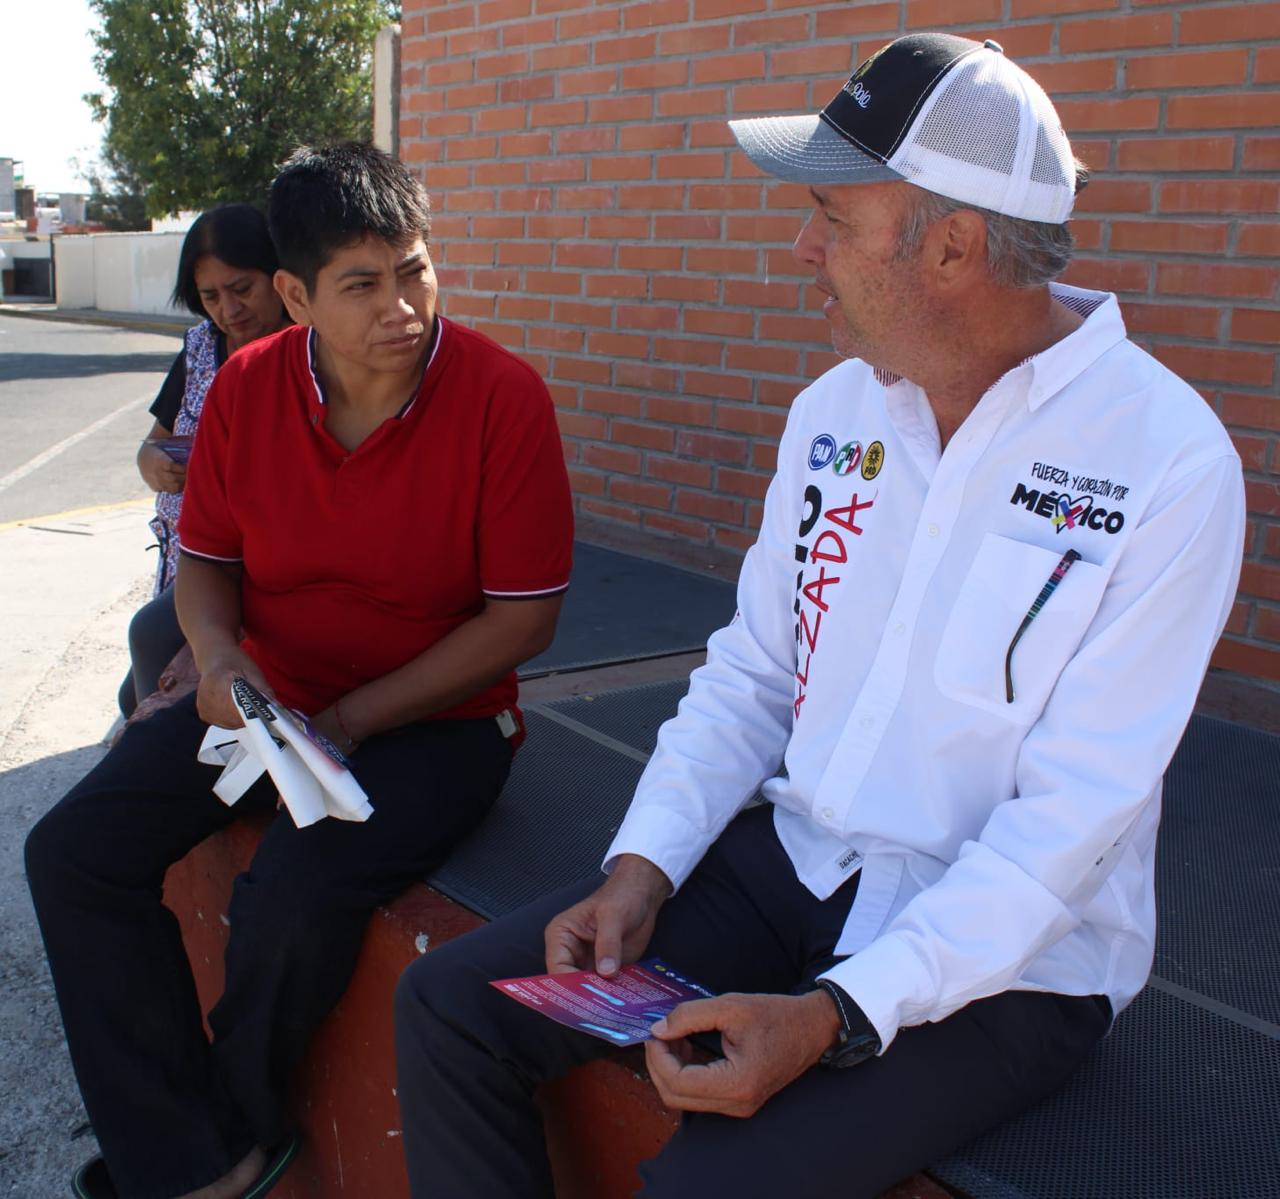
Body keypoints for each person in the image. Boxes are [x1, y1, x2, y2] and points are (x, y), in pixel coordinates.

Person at [392, 33, 1246, 1199]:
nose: (801, 249)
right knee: (449, 1006)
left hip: (1009, 958)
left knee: (708, 1184)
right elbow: (751, 669)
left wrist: (840, 1014)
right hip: (793, 857)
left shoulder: (1166, 462)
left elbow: (1071, 818)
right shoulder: (834, 410)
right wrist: (641, 863)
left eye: (832, 221)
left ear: (949, 246)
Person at [26, 143, 574, 1199]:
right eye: (362, 284)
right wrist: (221, 657)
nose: (402, 306)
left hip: (437, 721)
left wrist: (359, 714)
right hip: (268, 699)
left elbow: (523, 619)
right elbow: (206, 563)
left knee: (290, 889)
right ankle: (189, 1155)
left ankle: (218, 1143)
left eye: (414, 268)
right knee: (72, 851)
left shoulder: (503, 398)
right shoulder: (242, 386)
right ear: (295, 294)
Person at [120, 204, 288, 718]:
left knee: (156, 660)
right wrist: (153, 463)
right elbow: (155, 442)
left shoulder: (311, 348)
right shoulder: (200, 347)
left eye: (242, 289)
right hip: (187, 560)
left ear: (281, 279)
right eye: (211, 297)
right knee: (147, 680)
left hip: (257, 564)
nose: (228, 310)